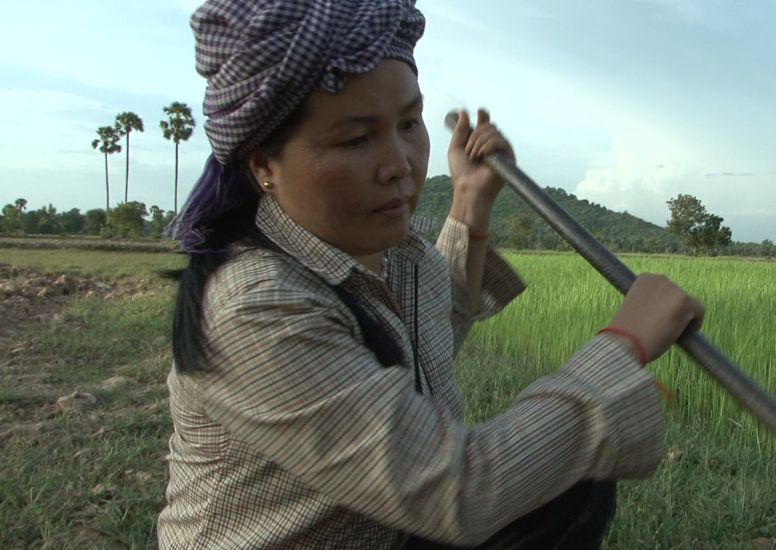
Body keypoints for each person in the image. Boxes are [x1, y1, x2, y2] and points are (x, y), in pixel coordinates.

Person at [157, 0, 705, 548]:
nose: (400, 163)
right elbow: (457, 492)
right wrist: (623, 343)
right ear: (263, 165)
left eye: (408, 124)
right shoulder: (256, 307)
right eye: (355, 139)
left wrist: (469, 197)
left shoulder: (384, 251)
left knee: (568, 484)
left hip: (385, 531)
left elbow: (431, 327)